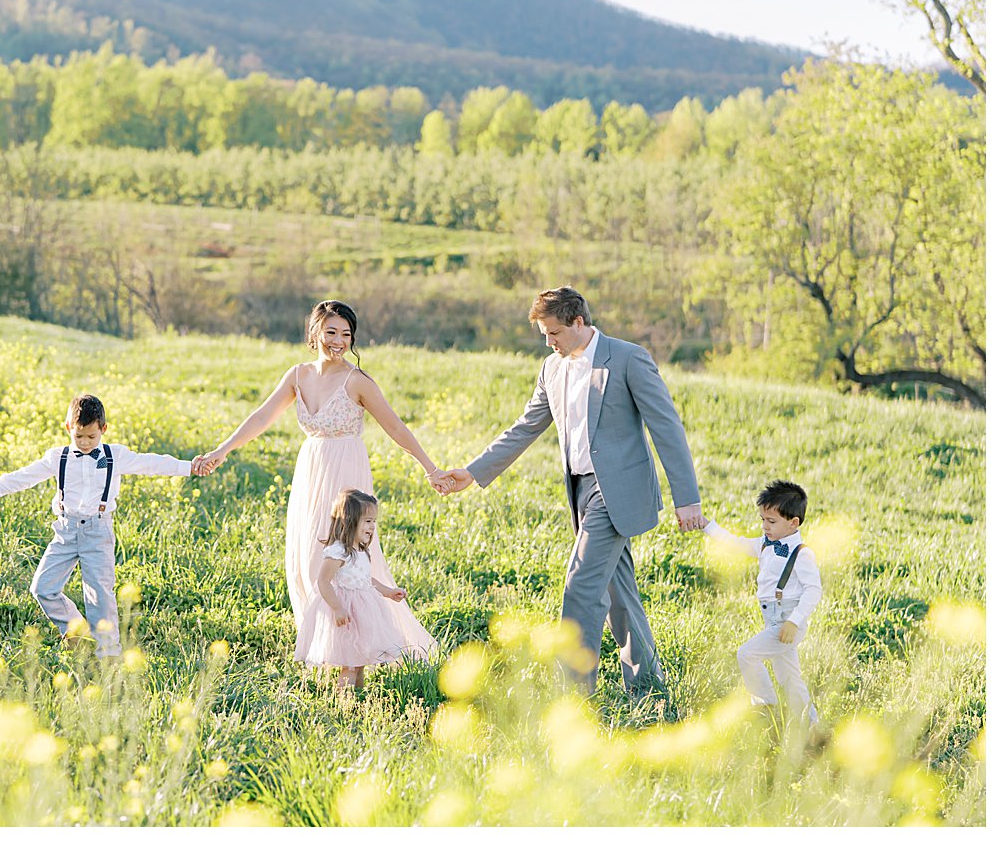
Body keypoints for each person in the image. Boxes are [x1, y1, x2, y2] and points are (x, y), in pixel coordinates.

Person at [432, 287, 702, 695]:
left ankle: (572, 698)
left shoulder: (628, 359)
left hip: (617, 493)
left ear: (578, 322)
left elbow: (666, 427)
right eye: (543, 334)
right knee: (619, 593)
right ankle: (650, 689)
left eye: (554, 332)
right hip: (580, 491)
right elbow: (525, 427)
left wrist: (688, 499)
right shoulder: (551, 369)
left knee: (581, 587)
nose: (548, 342)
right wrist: (473, 472)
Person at [197, 300, 436, 658]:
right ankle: (323, 641)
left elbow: (395, 427)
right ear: (315, 333)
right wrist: (222, 450)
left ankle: (363, 647)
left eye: (346, 334)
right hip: (311, 471)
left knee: (348, 556)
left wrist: (430, 467)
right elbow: (262, 416)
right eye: (331, 332)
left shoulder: (357, 381)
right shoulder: (298, 376)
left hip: (347, 473)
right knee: (309, 555)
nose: (338, 341)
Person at [0, 393, 212, 659]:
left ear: (103, 429)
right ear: (68, 428)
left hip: (97, 530)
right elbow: (23, 477)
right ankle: (75, 631)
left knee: (100, 597)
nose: (85, 443)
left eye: (91, 437)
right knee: (42, 588)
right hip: (65, 531)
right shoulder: (59, 457)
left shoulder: (116, 455)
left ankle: (108, 655)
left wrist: (189, 468)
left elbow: (152, 463)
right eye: (79, 437)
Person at [700, 481, 821, 725]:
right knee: (789, 676)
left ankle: (766, 707)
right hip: (773, 618)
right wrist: (707, 526)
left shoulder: (801, 553)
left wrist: (794, 622)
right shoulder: (765, 543)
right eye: (763, 519)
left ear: (793, 523)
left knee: (747, 654)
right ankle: (812, 727)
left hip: (788, 621)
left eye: (771, 521)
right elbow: (736, 544)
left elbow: (813, 590)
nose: (765, 525)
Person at [295, 488, 427, 690]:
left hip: (364, 612)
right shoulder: (339, 551)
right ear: (349, 521)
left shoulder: (361, 551)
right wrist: (337, 608)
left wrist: (388, 591)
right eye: (367, 521)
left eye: (374, 521)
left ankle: (358, 696)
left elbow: (366, 580)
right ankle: (344, 703)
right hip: (347, 613)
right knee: (350, 664)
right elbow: (323, 581)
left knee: (360, 662)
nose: (372, 526)